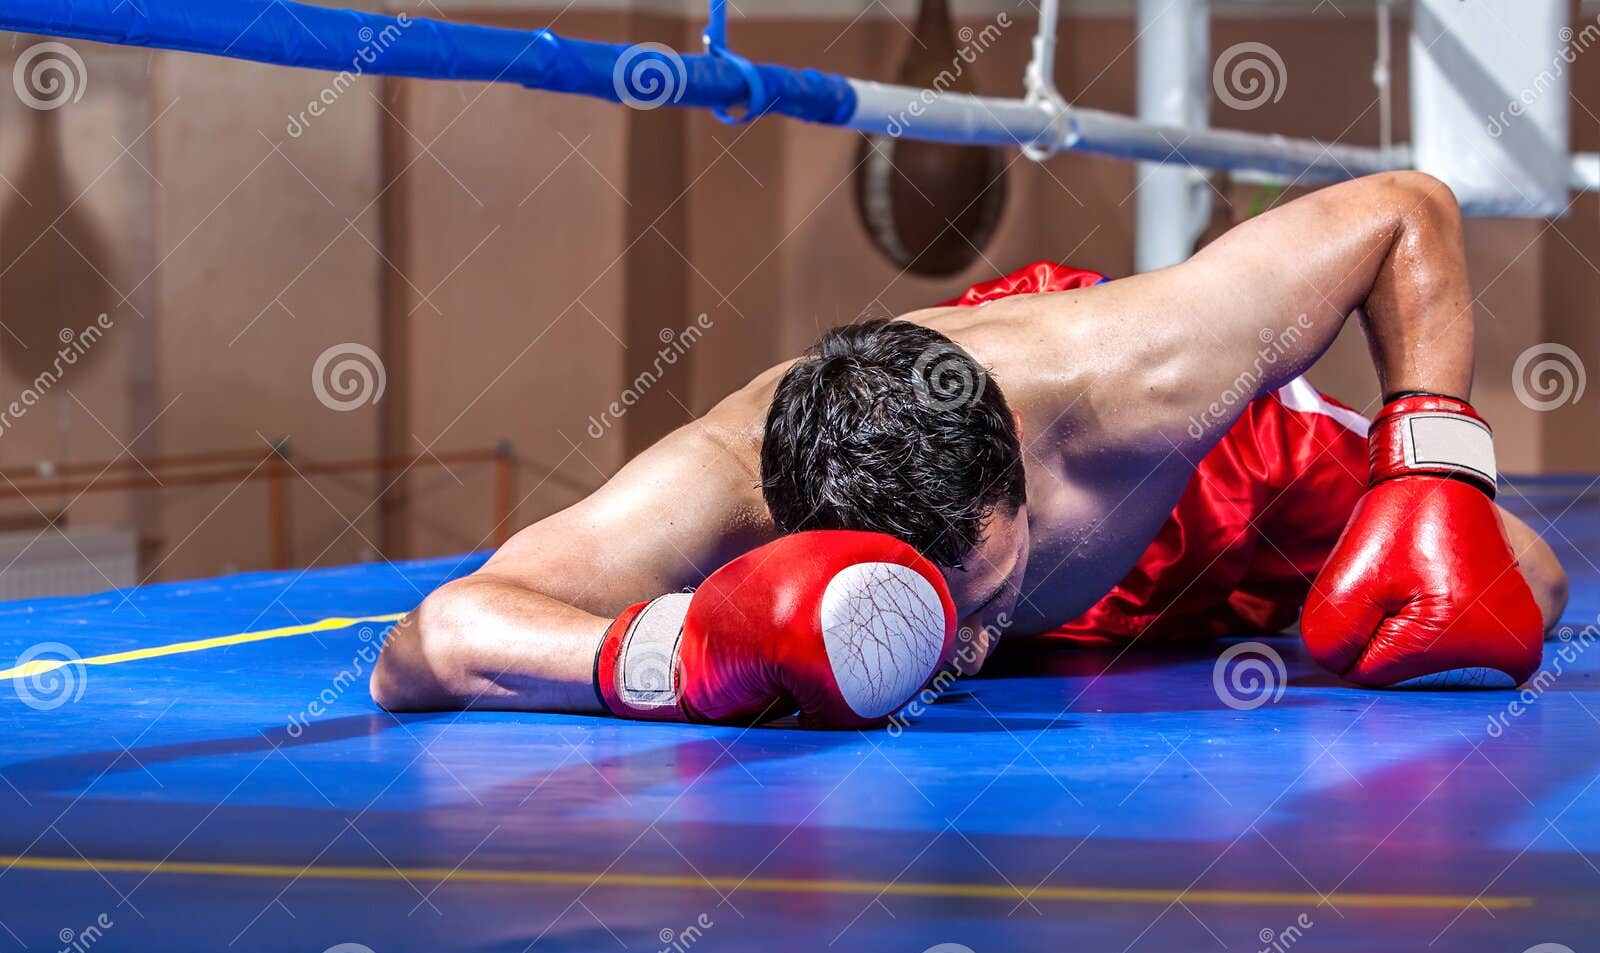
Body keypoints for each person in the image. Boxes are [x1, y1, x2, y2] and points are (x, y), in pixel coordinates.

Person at [371, 171, 1569, 725]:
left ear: (1016, 481)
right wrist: (664, 664)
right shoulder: (723, 475)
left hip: (1204, 494)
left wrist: (1432, 471)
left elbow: (1403, 210)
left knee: (1521, 576)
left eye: (982, 588)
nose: (959, 642)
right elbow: (430, 642)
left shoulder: (1141, 369)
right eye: (923, 600)